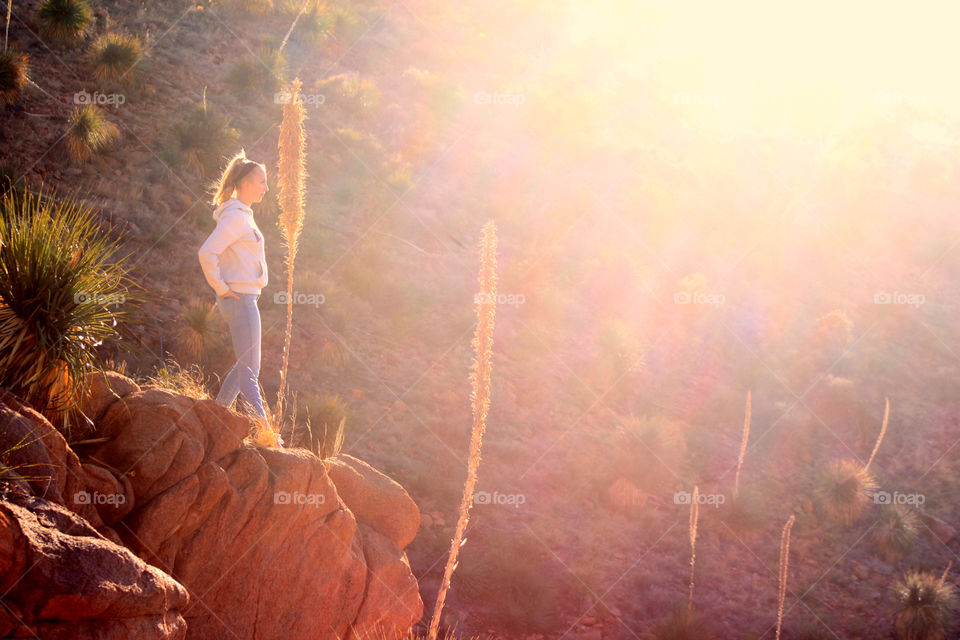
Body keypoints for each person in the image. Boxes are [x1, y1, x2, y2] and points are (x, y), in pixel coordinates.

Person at [198, 149, 281, 446]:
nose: (266, 188)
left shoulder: (242, 215)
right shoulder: (235, 217)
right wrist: (221, 288)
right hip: (240, 299)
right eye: (261, 181)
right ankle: (265, 432)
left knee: (243, 365)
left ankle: (216, 414)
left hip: (245, 298)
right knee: (250, 370)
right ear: (245, 183)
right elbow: (207, 253)